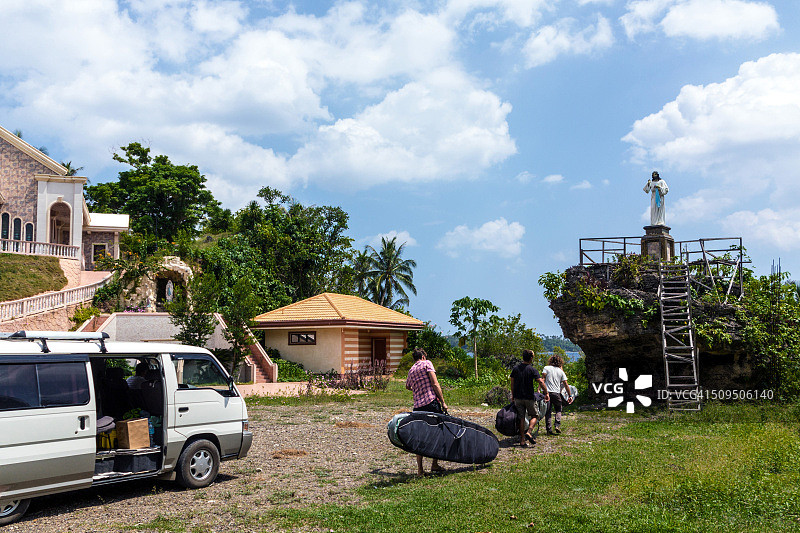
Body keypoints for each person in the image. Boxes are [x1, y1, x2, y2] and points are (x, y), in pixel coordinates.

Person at [405, 347, 448, 475]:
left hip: (417, 407)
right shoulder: (427, 363)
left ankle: (420, 470)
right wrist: (443, 401)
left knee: (419, 437)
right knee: (438, 433)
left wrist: (418, 389)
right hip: (431, 403)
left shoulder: (411, 370)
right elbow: (435, 384)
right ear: (423, 356)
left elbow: (407, 386)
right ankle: (434, 464)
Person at [509, 349, 549, 447]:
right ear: (531, 358)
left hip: (518, 397)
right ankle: (529, 432)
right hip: (529, 397)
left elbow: (512, 383)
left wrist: (513, 395)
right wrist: (546, 393)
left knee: (521, 418)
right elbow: (540, 381)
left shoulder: (516, 369)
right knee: (535, 416)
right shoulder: (532, 369)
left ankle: (522, 440)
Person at [542, 353, 574, 435]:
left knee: (548, 411)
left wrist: (539, 389)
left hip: (546, 393)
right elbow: (566, 384)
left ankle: (549, 429)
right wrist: (570, 395)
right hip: (556, 393)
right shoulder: (561, 371)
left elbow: (542, 380)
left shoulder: (546, 368)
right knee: (558, 409)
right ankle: (557, 425)